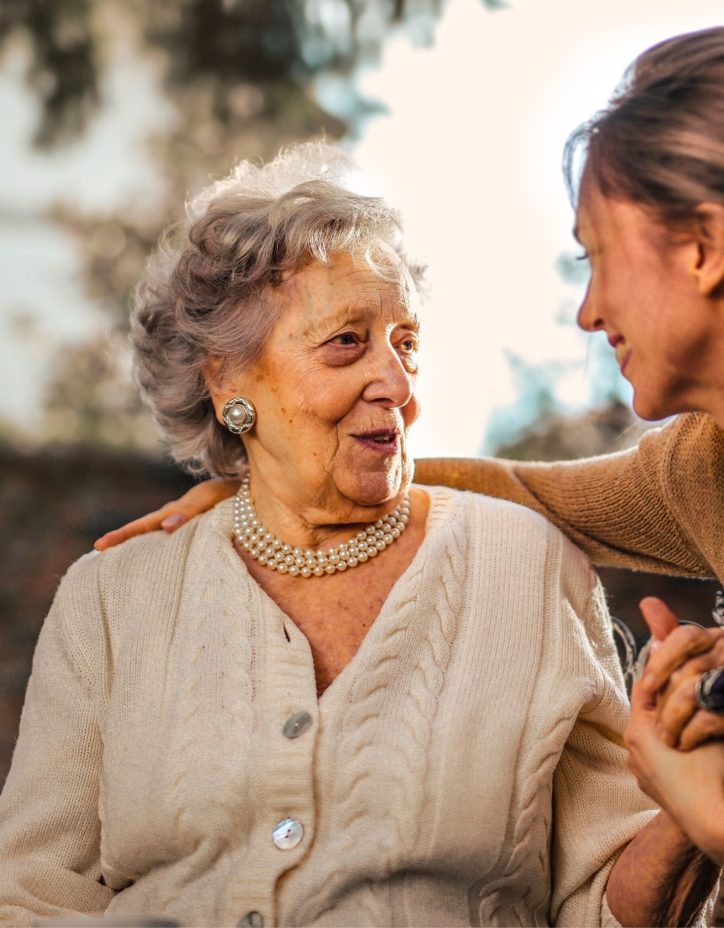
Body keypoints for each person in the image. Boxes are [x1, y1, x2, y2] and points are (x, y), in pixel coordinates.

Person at [0, 143, 716, 927]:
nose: (400, 384)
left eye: (406, 343)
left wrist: (691, 809)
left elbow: (603, 906)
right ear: (227, 378)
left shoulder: (529, 565)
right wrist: (267, 479)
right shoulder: (111, 597)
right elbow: (30, 898)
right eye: (348, 341)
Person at [101, 29, 724, 861]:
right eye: (344, 345)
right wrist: (282, 482)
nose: (588, 310)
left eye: (597, 256)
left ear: (703, 248)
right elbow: (523, 490)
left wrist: (706, 815)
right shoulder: (699, 470)